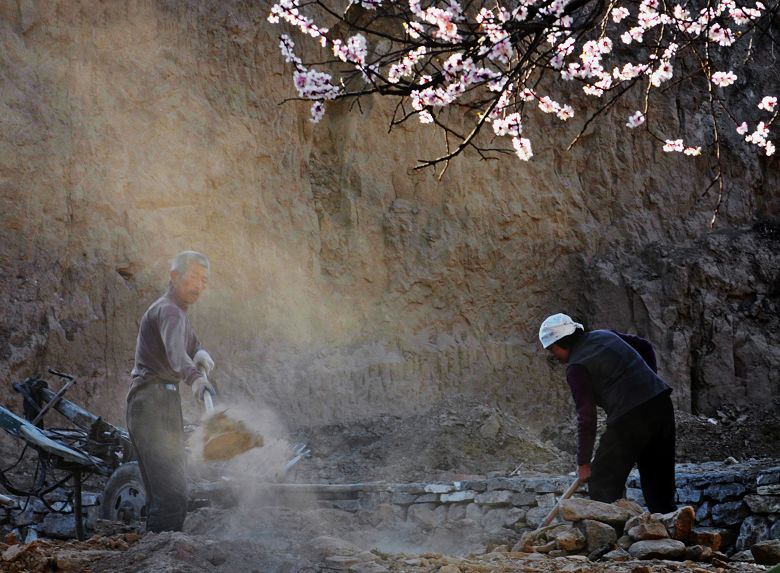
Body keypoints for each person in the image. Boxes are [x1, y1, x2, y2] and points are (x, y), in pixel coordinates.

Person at [539, 313, 677, 514]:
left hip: (629, 418)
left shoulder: (576, 367)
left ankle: (610, 539)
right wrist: (647, 381)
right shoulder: (605, 335)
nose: (554, 356)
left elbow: (586, 417)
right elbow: (645, 346)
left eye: (552, 350)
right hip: (660, 403)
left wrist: (583, 463)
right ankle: (673, 535)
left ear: (561, 342)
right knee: (658, 482)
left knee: (602, 479)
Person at [126, 251, 216, 532]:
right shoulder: (169, 311)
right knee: (171, 495)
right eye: (193, 277)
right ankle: (160, 556)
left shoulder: (175, 312)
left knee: (169, 491)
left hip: (159, 401)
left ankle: (159, 551)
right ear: (174, 276)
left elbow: (186, 342)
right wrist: (195, 378)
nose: (199, 285)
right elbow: (177, 355)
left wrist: (198, 349)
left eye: (204, 280)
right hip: (152, 403)